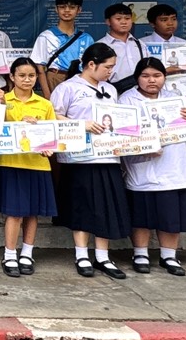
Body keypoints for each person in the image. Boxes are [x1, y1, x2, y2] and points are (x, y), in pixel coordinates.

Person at [49, 43, 134, 278]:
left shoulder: (111, 90)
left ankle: (103, 256)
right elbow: (52, 115)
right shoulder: (68, 88)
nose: (111, 72)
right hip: (80, 158)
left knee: (106, 206)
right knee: (82, 206)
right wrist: (81, 125)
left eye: (113, 67)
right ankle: (81, 255)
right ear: (91, 64)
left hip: (108, 156)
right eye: (107, 67)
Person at [120, 57, 186, 275]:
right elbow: (121, 133)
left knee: (170, 214)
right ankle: (140, 253)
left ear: (164, 77)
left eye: (157, 75)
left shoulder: (175, 99)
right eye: (145, 76)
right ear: (137, 78)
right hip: (142, 165)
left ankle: (169, 256)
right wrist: (142, 147)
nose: (151, 80)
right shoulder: (127, 100)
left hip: (172, 165)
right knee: (141, 214)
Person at [0, 58, 57, 277]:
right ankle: (9, 254)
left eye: (31, 75)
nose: (27, 80)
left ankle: (27, 253)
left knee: (33, 212)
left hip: (38, 164)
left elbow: (52, 137)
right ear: (12, 77)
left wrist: (47, 144)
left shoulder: (45, 104)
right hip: (12, 163)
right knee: (14, 212)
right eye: (22, 75)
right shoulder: (3, 100)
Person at [30, 0, 94, 98]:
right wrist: (47, 96)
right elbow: (39, 69)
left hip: (80, 80)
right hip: (55, 77)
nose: (67, 10)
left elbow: (92, 68)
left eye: (72, 7)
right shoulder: (46, 36)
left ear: (79, 10)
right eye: (62, 7)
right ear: (56, 9)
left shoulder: (87, 38)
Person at [99, 3, 144, 93]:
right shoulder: (100, 46)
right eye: (118, 19)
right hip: (113, 93)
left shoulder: (140, 44)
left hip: (141, 92)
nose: (124, 22)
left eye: (127, 18)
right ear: (108, 21)